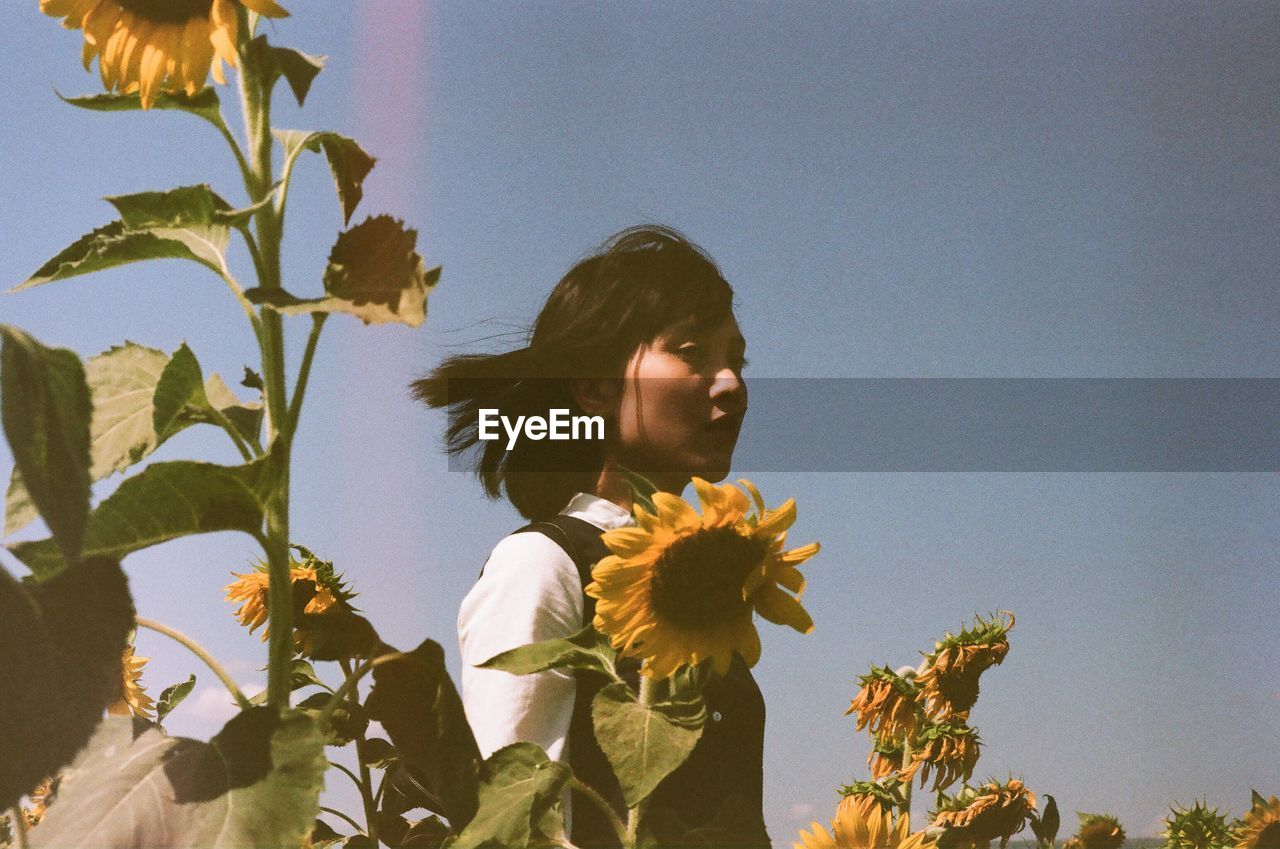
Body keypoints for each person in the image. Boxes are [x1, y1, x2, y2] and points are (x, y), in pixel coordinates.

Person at [412, 225, 766, 848]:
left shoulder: (710, 586)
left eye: (736, 359)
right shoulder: (543, 566)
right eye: (691, 352)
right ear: (595, 386)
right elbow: (515, 826)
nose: (730, 383)